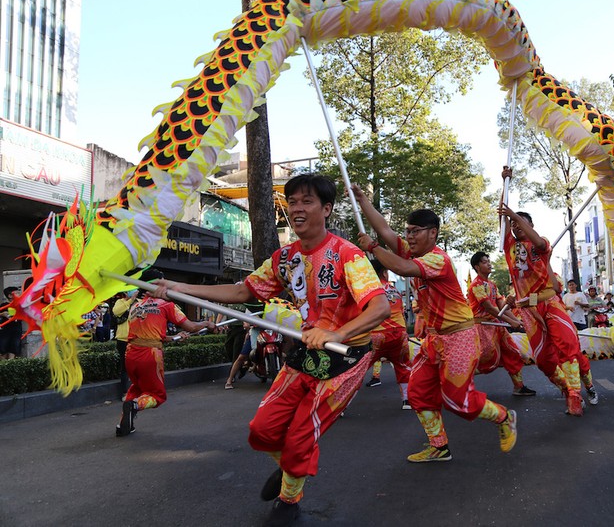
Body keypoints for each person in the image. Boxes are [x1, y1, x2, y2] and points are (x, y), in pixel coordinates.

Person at [152, 174, 390, 526]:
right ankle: (290, 470)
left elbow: (380, 308)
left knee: (299, 438)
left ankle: (289, 500)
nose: (297, 208)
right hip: (309, 353)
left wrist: (334, 332)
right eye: (292, 201)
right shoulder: (284, 258)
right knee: (261, 430)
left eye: (306, 201)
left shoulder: (347, 255)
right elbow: (240, 292)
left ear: (326, 209)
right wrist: (174, 286)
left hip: (346, 356)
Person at [352, 183, 518, 463]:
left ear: (433, 233)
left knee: (458, 400)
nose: (408, 237)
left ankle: (503, 416)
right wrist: (363, 201)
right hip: (434, 339)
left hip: (460, 338)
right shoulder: (413, 253)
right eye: (407, 232)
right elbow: (385, 231)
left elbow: (401, 267)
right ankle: (438, 446)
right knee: (418, 392)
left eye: (415, 232)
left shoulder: (437, 260)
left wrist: (373, 248)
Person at [498, 166, 598, 415]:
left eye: (521, 223)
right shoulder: (509, 245)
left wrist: (515, 214)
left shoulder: (540, 244)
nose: (516, 226)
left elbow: (537, 239)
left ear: (531, 225)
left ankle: (582, 391)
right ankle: (567, 390)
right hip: (528, 311)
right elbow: (501, 216)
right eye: (513, 224)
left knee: (569, 348)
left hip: (550, 303)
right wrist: (505, 183)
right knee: (543, 361)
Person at [116, 269, 217, 437]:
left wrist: (174, 337)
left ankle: (123, 425)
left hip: (131, 355)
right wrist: (207, 323)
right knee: (157, 395)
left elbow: (150, 335)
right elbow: (191, 327)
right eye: (163, 283)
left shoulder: (136, 306)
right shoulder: (166, 305)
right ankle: (135, 406)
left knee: (136, 389)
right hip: (150, 356)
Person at [467, 251, 536, 396]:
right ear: (477, 267)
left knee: (513, 352)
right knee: (486, 359)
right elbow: (490, 309)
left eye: (488, 261)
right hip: (483, 328)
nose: (489, 264)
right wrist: (512, 322)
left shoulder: (492, 285)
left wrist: (517, 321)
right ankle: (459, 384)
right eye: (484, 262)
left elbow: (501, 307)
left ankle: (519, 387)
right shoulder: (476, 285)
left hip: (496, 327)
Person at [366, 258, 413, 409]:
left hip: (377, 335)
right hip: (399, 334)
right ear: (384, 272)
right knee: (403, 365)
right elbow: (401, 311)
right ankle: (407, 400)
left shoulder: (367, 289)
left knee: (356, 370)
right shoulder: (394, 290)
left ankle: (340, 406)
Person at [112, 290, 137, 395]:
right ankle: (124, 392)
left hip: (137, 339)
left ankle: (137, 390)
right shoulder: (120, 302)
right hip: (123, 340)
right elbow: (116, 312)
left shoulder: (139, 303)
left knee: (137, 366)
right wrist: (130, 301)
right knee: (125, 367)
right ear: (126, 293)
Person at [0, 286, 23, 360]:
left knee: (14, 347)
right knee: (3, 348)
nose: (19, 294)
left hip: (17, 329)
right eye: (17, 293)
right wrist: (2, 314)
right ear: (10, 296)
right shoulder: (4, 305)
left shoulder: (20, 304)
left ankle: (11, 365)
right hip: (5, 330)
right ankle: (4, 366)